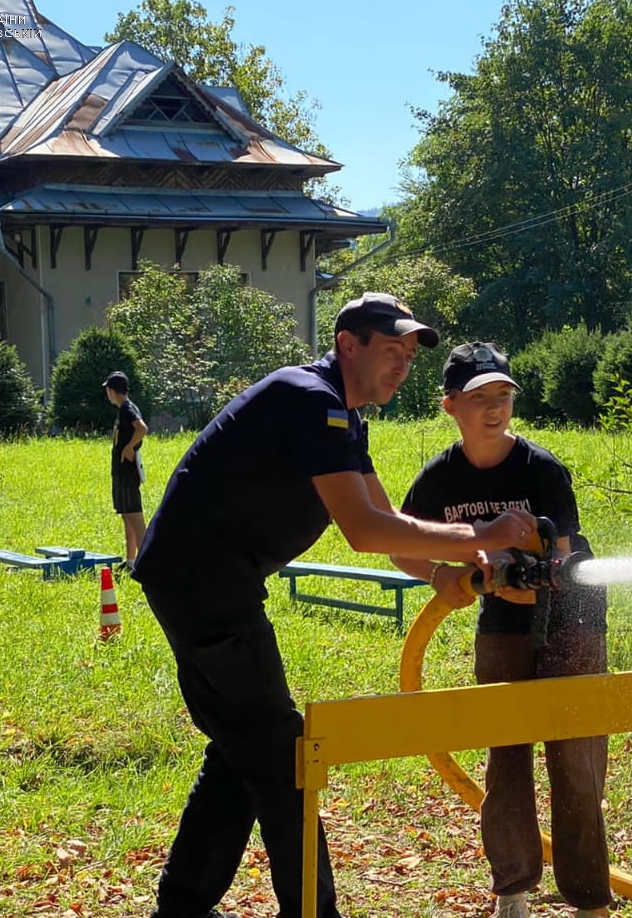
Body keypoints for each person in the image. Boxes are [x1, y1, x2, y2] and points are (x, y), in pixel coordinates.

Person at [130, 293, 537, 918]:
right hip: (202, 582)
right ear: (349, 344)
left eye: (409, 355)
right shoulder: (308, 399)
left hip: (212, 581)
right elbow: (365, 531)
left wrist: (442, 573)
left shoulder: (343, 417)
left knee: (244, 746)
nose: (403, 366)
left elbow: (388, 519)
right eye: (392, 350)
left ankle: (183, 906)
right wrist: (483, 536)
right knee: (283, 750)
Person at [391, 341, 612, 918]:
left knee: (577, 760)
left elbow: (559, 554)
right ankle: (512, 891)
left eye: (503, 396)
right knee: (505, 754)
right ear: (450, 407)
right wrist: (443, 574)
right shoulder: (439, 479)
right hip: (501, 624)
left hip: (572, 621)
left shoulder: (543, 470)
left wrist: (535, 581)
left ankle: (590, 901)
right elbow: (401, 547)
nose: (494, 409)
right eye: (479, 398)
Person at [103, 370, 148, 567]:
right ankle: (130, 561)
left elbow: (142, 428)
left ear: (112, 391)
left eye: (108, 390)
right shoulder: (123, 410)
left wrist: (129, 447)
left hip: (128, 472)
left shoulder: (128, 409)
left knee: (135, 516)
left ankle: (147, 563)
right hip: (121, 471)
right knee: (126, 515)